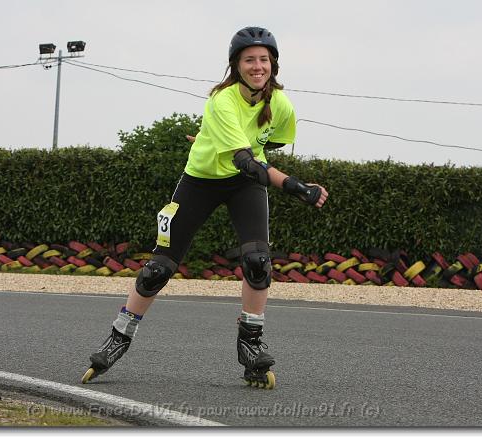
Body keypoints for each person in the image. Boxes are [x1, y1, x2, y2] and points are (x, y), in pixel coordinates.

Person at [82, 26, 329, 389]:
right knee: (157, 269)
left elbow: (269, 144)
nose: (257, 66)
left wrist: (220, 139)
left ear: (273, 65)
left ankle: (250, 345)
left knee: (258, 262)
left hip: (245, 184)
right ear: (236, 65)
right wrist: (295, 186)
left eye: (264, 60)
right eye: (249, 60)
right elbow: (246, 160)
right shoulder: (221, 100)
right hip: (201, 180)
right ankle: (119, 337)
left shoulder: (281, 104)